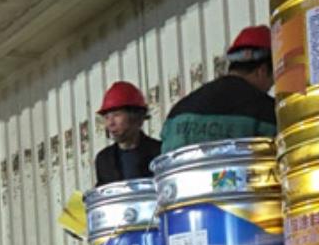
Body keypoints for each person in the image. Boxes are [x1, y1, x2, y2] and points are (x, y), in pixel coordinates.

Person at [159, 25, 277, 153]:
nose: (270, 87)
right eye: (272, 80)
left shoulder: (177, 114)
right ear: (262, 71)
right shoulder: (269, 112)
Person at [94, 81, 161, 185]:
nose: (110, 123)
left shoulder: (159, 153)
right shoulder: (104, 160)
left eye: (116, 115)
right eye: (106, 117)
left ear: (137, 117)